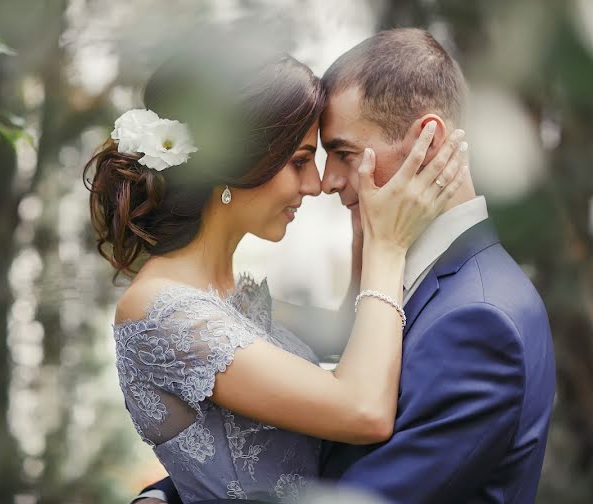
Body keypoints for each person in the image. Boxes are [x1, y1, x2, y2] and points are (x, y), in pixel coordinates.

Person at [137, 28, 556, 504]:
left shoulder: (480, 320)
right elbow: (289, 454)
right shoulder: (409, 282)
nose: (329, 182)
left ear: (429, 140)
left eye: (343, 153)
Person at [84, 34, 466, 504]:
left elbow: (352, 335)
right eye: (300, 162)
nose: (315, 184)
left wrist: (366, 229)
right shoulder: (163, 310)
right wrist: (389, 247)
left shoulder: (230, 294)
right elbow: (363, 409)